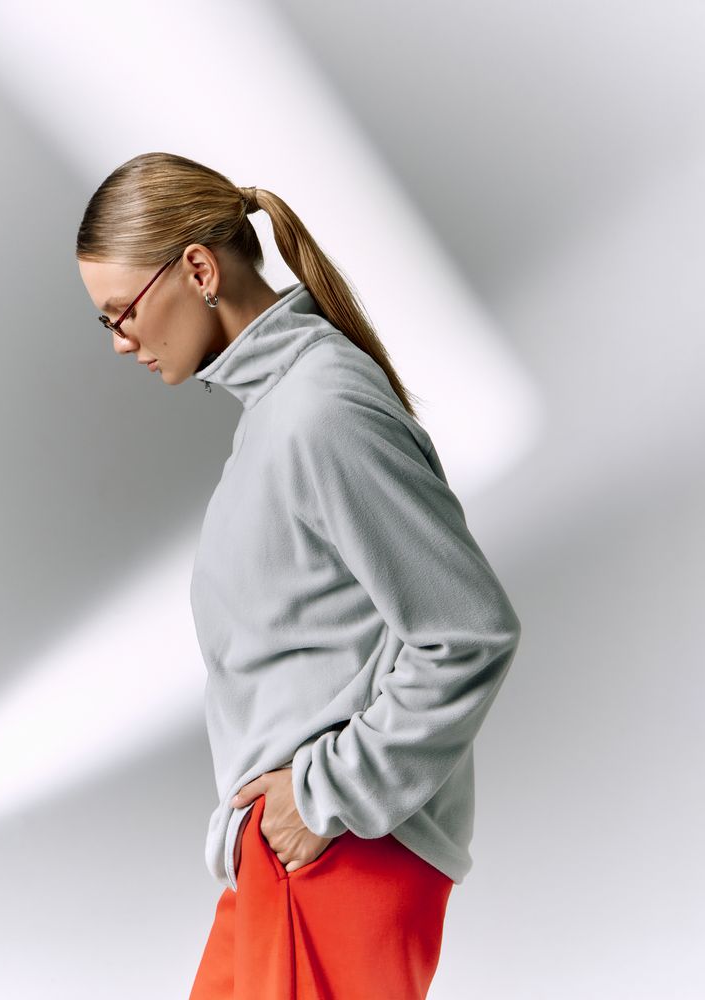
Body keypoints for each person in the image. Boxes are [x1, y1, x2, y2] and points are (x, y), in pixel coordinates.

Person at [76, 151, 522, 1000]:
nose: (121, 341)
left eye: (121, 313)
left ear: (199, 269)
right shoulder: (278, 413)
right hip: (290, 856)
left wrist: (325, 795)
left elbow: (468, 632)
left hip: (337, 853)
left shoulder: (321, 409)